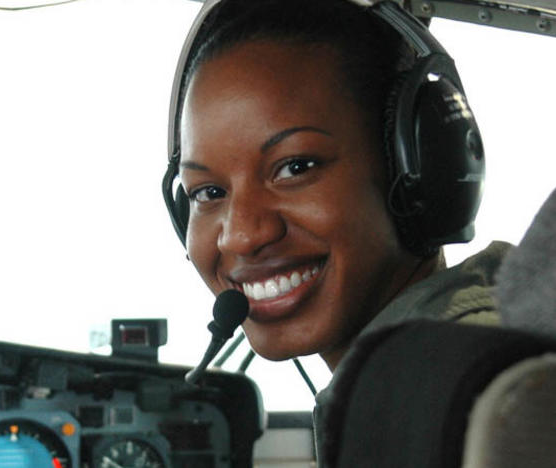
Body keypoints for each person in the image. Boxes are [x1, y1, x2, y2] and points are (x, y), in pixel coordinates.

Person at [162, 0, 507, 374]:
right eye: (209, 193)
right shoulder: (402, 386)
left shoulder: (461, 387)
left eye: (295, 167)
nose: (242, 236)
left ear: (424, 165)